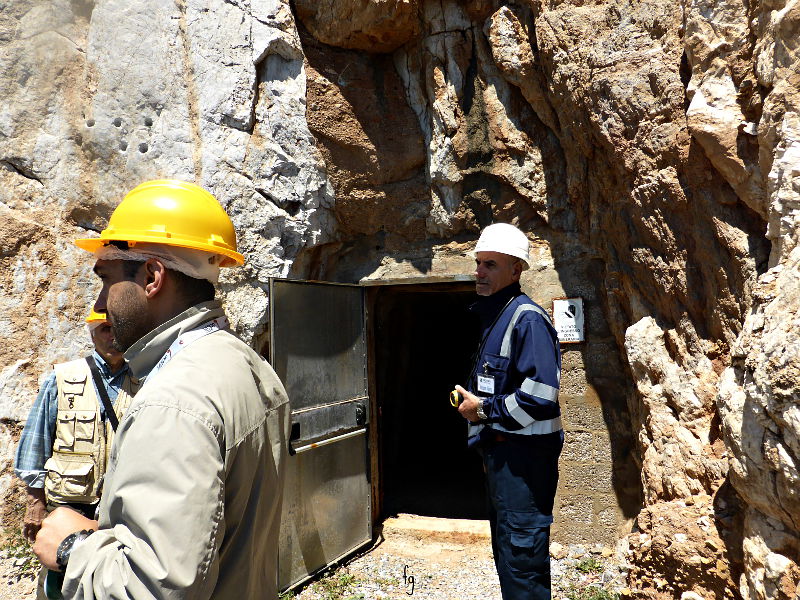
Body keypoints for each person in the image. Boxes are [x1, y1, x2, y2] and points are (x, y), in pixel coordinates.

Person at [32, 179, 291, 600]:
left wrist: (71, 547)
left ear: (152, 276)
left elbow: (156, 586)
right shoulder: (247, 366)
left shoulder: (174, 402)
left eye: (107, 280)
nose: (100, 304)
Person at [454, 222, 563, 599]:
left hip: (524, 463)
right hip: (503, 458)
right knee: (508, 557)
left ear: (516, 269)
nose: (479, 272)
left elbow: (539, 397)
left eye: (491, 265)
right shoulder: (498, 316)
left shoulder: (527, 319)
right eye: (479, 263)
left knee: (522, 563)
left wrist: (481, 409)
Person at [14, 308, 138, 540]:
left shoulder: (144, 380)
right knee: (63, 569)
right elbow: (35, 443)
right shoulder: (62, 378)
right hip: (69, 504)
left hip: (125, 502)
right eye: (106, 329)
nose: (114, 336)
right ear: (92, 334)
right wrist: (35, 503)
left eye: (120, 329)